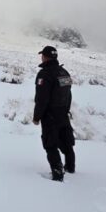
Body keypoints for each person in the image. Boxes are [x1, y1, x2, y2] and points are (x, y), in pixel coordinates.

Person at [32, 45, 75, 182]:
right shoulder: (64, 72)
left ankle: (57, 174)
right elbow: (69, 95)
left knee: (50, 144)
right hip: (63, 113)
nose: (41, 57)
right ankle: (70, 167)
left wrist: (37, 117)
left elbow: (42, 98)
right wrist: (66, 110)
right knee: (66, 142)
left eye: (42, 55)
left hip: (50, 115)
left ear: (45, 57)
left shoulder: (44, 74)